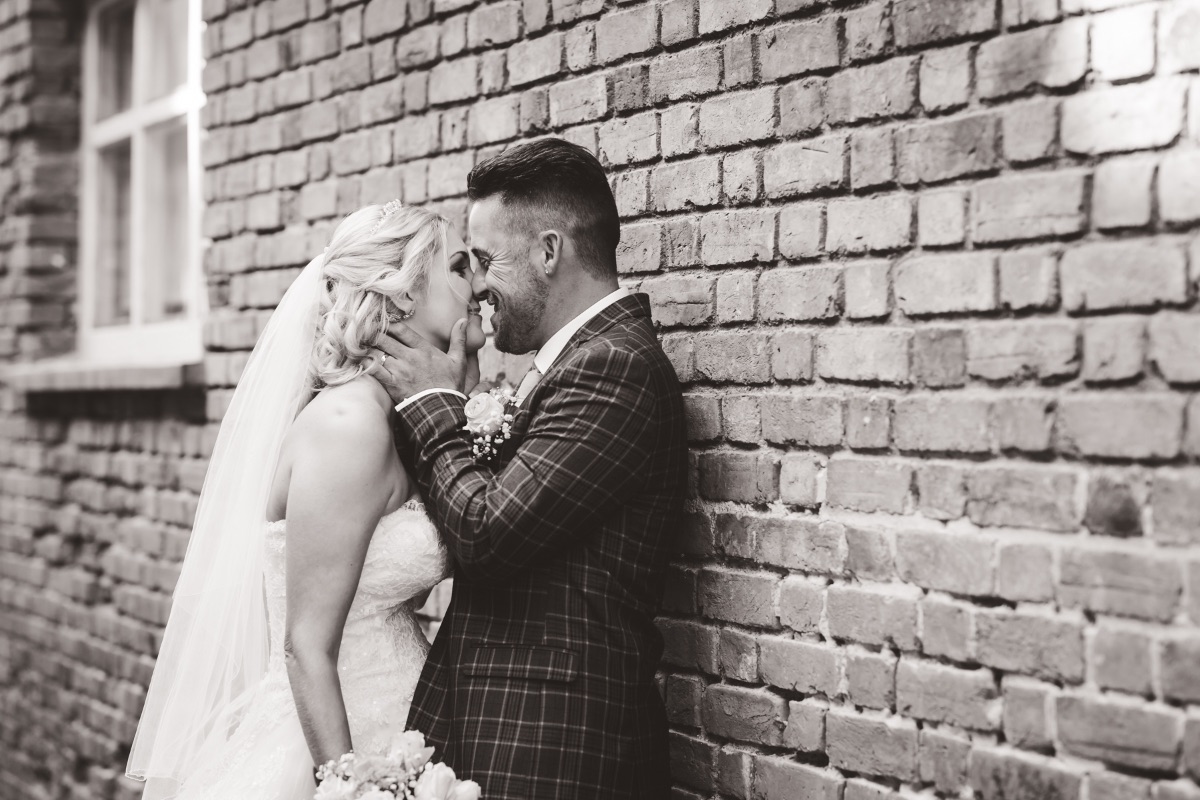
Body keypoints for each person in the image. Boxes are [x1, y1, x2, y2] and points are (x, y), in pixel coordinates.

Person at [126, 203, 484, 800]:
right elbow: (305, 646)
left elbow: (394, 593)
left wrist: (453, 397)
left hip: (405, 725)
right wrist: (353, 788)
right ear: (400, 300)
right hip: (336, 745)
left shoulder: (392, 420)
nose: (476, 284)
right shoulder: (348, 428)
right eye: (456, 267)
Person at [371, 137, 688, 799]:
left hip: (555, 754)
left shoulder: (614, 368)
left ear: (549, 252)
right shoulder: (574, 366)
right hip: (503, 738)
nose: (477, 286)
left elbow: (488, 534)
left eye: (484, 260)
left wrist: (435, 402)